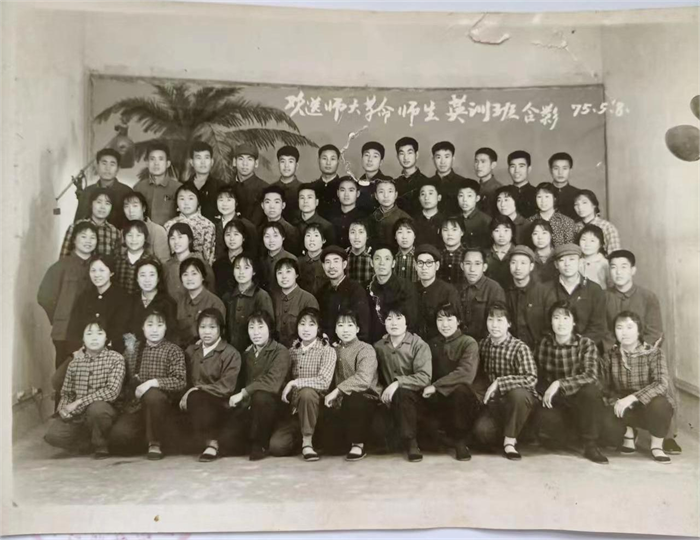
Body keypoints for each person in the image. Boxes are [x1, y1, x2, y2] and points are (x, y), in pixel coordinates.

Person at [533, 301, 608, 464]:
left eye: (566, 318)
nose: (561, 323)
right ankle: (567, 435)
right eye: (556, 318)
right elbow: (536, 374)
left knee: (591, 391)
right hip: (558, 401)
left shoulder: (585, 344)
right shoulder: (544, 344)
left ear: (574, 322)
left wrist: (559, 383)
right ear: (550, 321)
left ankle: (590, 445)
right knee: (551, 434)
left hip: (580, 400)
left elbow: (591, 375)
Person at [599, 311, 675, 464]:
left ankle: (656, 445)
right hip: (623, 405)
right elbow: (603, 386)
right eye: (619, 328)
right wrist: (615, 401)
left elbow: (661, 383)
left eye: (629, 327)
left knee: (660, 404)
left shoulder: (653, 353)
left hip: (649, 405)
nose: (624, 332)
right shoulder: (610, 356)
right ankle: (629, 433)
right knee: (608, 431)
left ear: (639, 331)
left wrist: (633, 398)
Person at [109, 308, 186, 459]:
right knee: (118, 440)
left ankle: (155, 443)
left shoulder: (173, 350)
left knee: (153, 395)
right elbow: (122, 378)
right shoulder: (133, 350)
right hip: (136, 407)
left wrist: (152, 383)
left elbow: (180, 381)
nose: (154, 330)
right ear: (143, 327)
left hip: (162, 409)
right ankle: (144, 438)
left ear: (166, 327)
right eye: (150, 325)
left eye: (159, 325)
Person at [44, 320, 125, 458]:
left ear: (106, 338)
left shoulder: (116, 359)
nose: (94, 338)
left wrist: (79, 402)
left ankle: (101, 446)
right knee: (53, 436)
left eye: (99, 334)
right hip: (79, 414)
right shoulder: (75, 363)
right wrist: (63, 409)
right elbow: (67, 393)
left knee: (97, 409)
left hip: (104, 411)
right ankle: (87, 442)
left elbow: (111, 391)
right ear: (83, 339)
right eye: (89, 334)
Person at [220, 311, 291, 461]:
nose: (256, 332)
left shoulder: (281, 351)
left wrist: (244, 392)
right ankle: (255, 439)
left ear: (270, 329)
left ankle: (261, 444)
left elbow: (272, 382)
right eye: (251, 327)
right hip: (251, 410)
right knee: (226, 444)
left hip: (274, 409)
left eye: (260, 327)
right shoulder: (247, 354)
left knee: (261, 396)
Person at [472, 302, 538, 460]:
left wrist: (500, 382)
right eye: (490, 320)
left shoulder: (519, 347)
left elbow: (531, 378)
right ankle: (510, 433)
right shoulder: (483, 345)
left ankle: (510, 442)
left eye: (500, 320)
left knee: (519, 394)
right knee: (482, 433)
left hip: (519, 403)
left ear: (509, 324)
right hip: (496, 405)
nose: (494, 325)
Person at [270, 308, 337, 460]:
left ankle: (307, 442)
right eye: (302, 324)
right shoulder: (292, 351)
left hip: (318, 409)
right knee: (276, 447)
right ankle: (305, 439)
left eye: (311, 324)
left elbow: (324, 381)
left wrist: (295, 383)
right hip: (296, 411)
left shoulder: (327, 350)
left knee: (306, 392)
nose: (306, 329)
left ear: (318, 328)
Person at [37, 221, 97, 379]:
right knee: (64, 377)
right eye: (83, 236)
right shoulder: (61, 266)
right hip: (64, 332)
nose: (88, 241)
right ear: (74, 240)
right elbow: (44, 296)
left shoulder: (98, 267)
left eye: (92, 237)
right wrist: (59, 317)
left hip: (92, 332)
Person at [180, 308, 241, 462]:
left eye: (212, 327)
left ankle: (212, 443)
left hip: (219, 405)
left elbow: (227, 386)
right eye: (203, 327)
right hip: (192, 405)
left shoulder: (230, 353)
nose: (207, 332)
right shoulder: (191, 351)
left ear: (221, 329)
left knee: (197, 397)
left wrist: (197, 389)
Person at [424, 303, 483, 461]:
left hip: (462, 400)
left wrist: (436, 386)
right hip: (439, 399)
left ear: (458, 321)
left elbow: (466, 373)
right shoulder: (431, 344)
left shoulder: (468, 342)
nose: (444, 324)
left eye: (449, 319)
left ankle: (460, 442)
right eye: (440, 319)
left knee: (460, 391)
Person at [373, 305, 432, 462]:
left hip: (414, 400)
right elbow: (374, 376)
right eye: (389, 319)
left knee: (402, 393)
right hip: (388, 400)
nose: (394, 323)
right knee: (378, 432)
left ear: (407, 322)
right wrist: (381, 393)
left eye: (399, 318)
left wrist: (397, 383)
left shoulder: (419, 345)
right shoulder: (378, 346)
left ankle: (412, 443)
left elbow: (424, 377)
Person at [321, 310, 382, 461]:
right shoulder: (333, 350)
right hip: (341, 404)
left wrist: (337, 390)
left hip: (365, 400)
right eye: (341, 325)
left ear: (357, 329)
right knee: (330, 447)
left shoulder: (365, 349)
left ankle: (358, 444)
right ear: (335, 329)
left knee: (354, 398)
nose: (345, 330)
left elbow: (363, 379)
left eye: (350, 325)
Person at [542, 244, 606, 347]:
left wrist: (578, 345)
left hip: (586, 347)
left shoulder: (594, 290)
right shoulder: (544, 290)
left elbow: (598, 327)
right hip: (553, 347)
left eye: (572, 259)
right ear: (556, 264)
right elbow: (542, 325)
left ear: (580, 262)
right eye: (562, 260)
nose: (567, 264)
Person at [66, 255, 130, 356]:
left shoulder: (122, 297)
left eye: (102, 270)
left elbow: (120, 330)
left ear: (111, 273)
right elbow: (73, 327)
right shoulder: (84, 296)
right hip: (83, 352)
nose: (97, 274)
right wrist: (76, 351)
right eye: (93, 270)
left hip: (112, 354)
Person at [316, 245, 371, 344]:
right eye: (327, 262)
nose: (331, 266)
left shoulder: (356, 290)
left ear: (344, 264)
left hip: (350, 346)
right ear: (323, 266)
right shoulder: (321, 292)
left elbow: (363, 327)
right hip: (326, 345)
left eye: (336, 261)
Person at [223, 253, 274, 354]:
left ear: (254, 271)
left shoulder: (261, 296)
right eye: (237, 268)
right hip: (230, 352)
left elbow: (269, 328)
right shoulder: (227, 297)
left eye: (246, 268)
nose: (241, 272)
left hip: (254, 352)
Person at [368, 243, 420, 343]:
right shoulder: (366, 287)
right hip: (371, 342)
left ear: (393, 263)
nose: (382, 263)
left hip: (399, 342)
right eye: (377, 259)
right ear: (371, 263)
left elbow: (411, 323)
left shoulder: (406, 287)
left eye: (387, 259)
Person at [74, 148, 133, 229]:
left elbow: (132, 224)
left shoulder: (127, 192)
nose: (107, 168)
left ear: (117, 169)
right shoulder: (87, 192)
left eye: (112, 164)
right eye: (104, 163)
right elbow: (78, 223)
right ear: (97, 166)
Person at [505, 246, 548, 351]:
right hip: (512, 350)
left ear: (531, 266)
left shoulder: (543, 292)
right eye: (514, 263)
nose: (518, 268)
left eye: (523, 263)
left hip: (540, 350)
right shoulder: (505, 293)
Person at [175, 257, 225, 348]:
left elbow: (218, 335)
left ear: (203, 276)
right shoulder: (179, 302)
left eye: (194, 273)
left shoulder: (215, 303)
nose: (189, 278)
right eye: (185, 274)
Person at [414, 244, 461, 339]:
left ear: (437, 266)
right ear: (415, 266)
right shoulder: (409, 289)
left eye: (429, 263)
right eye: (420, 263)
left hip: (440, 342)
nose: (424, 267)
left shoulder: (448, 291)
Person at [459, 247, 507, 342]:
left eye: (477, 264)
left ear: (484, 267)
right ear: (462, 266)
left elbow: (498, 323)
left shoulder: (494, 289)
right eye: (468, 263)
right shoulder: (456, 289)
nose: (472, 269)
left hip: (485, 343)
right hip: (461, 343)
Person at [271, 257, 319, 347]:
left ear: (297, 274)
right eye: (279, 273)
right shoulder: (272, 298)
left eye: (288, 271)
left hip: (300, 349)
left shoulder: (308, 299)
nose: (284, 276)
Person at [60, 188, 121, 258]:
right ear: (91, 204)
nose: (102, 207)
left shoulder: (115, 233)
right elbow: (63, 258)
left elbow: (117, 261)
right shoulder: (75, 227)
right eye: (99, 202)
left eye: (107, 203)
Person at [164, 184, 216, 265]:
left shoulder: (208, 225)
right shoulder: (168, 225)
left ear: (198, 201)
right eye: (182, 199)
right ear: (176, 202)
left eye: (191, 198)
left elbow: (208, 256)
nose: (186, 203)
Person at [133, 141, 181, 226]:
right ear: (147, 163)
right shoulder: (138, 187)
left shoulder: (178, 188)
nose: (156, 163)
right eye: (152, 159)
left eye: (161, 159)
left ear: (168, 163)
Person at [129, 258, 177, 342]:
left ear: (158, 278)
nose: (147, 279)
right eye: (143, 275)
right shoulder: (130, 300)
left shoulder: (168, 303)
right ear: (137, 278)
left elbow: (171, 334)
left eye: (152, 275)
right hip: (132, 346)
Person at [163, 223, 215, 301]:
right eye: (172, 238)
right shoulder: (167, 266)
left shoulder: (200, 262)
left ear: (190, 240)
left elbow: (211, 289)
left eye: (180, 237)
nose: (176, 241)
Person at [180, 141, 223, 222]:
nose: (203, 162)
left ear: (212, 162)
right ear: (191, 162)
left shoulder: (221, 187)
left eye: (206, 157)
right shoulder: (184, 188)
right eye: (198, 158)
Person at [122, 191, 170, 263]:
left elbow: (164, 262)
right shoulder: (123, 231)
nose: (130, 210)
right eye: (126, 206)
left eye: (135, 206)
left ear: (143, 208)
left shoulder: (157, 230)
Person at [213, 185, 257, 260]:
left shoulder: (247, 226)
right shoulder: (213, 224)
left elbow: (253, 252)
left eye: (229, 200)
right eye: (221, 200)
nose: (224, 204)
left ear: (236, 202)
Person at [528, 182, 577, 247]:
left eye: (547, 196)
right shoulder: (529, 222)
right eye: (539, 197)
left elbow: (570, 248)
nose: (543, 201)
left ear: (554, 198)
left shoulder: (567, 222)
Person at [259, 184, 300, 255]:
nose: (272, 206)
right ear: (262, 205)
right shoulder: (259, 229)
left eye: (276, 202)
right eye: (267, 202)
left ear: (283, 205)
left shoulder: (291, 231)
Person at [368, 178, 411, 246]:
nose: (386, 196)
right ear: (376, 196)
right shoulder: (371, 217)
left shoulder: (405, 218)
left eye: (390, 191)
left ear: (396, 195)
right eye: (381, 192)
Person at [231, 144, 267, 226]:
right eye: (241, 159)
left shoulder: (264, 189)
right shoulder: (228, 187)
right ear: (234, 162)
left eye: (249, 159)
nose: (245, 163)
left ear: (256, 163)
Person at [213, 218, 249, 298]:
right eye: (228, 235)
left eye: (236, 234)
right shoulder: (218, 264)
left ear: (243, 237)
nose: (231, 238)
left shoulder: (251, 261)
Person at [259, 221, 298, 291]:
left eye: (275, 236)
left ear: (283, 237)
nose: (271, 240)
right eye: (267, 236)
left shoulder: (291, 259)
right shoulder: (261, 259)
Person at [115, 220, 151, 295]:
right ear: (124, 238)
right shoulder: (117, 260)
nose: (134, 239)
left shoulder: (151, 261)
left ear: (145, 238)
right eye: (130, 235)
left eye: (138, 235)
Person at [330, 176, 367, 249]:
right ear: (338, 193)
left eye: (351, 190)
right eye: (342, 190)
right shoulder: (330, 216)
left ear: (358, 193)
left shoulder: (365, 218)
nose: (346, 194)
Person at [394, 136, 428, 215]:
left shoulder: (427, 182)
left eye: (409, 153)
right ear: (397, 157)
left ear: (416, 155)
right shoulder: (394, 184)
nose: (406, 157)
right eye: (402, 153)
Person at [429, 141, 464, 216]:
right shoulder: (427, 183)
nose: (442, 162)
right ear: (433, 159)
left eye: (446, 157)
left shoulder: (463, 183)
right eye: (438, 157)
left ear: (453, 158)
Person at [454, 178, 491, 250]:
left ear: (477, 198)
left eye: (469, 196)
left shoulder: (486, 221)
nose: (464, 200)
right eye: (461, 196)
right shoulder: (454, 219)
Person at [357, 141, 390, 214]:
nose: (370, 159)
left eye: (375, 156)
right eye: (367, 155)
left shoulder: (387, 182)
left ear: (381, 162)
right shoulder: (356, 183)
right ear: (362, 158)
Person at [310, 144, 342, 219]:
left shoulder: (343, 187)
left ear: (338, 161)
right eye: (324, 158)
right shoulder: (311, 188)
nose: (328, 163)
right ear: (318, 160)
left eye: (332, 159)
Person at [484, 215, 516, 289]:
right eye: (497, 231)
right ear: (491, 234)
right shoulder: (484, 254)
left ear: (512, 233)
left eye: (506, 230)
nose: (501, 235)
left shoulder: (519, 253)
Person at [298, 223, 329, 296]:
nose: (311, 239)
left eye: (316, 235)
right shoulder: (298, 261)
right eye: (308, 235)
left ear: (324, 240)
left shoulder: (329, 261)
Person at [273, 145, 302, 220]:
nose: (286, 165)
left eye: (290, 161)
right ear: (278, 164)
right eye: (282, 161)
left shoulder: (304, 190)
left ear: (297, 165)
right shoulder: (270, 189)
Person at [548, 152, 580, 221]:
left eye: (565, 168)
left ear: (570, 171)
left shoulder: (579, 194)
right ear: (550, 170)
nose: (560, 172)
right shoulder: (542, 193)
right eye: (556, 168)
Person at [577, 224, 610, 289]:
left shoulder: (605, 264)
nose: (587, 244)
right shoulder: (576, 262)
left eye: (592, 241)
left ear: (600, 244)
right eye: (583, 239)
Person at [414, 181, 446, 248]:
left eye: (430, 193)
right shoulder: (412, 220)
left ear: (439, 197)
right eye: (423, 194)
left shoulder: (446, 221)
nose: (426, 198)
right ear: (419, 198)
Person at [507, 150, 537, 219]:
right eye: (513, 166)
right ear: (508, 169)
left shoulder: (537, 193)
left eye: (521, 166)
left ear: (529, 169)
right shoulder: (501, 193)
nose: (516, 170)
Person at [474, 147, 503, 217]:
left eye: (483, 162)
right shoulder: (475, 187)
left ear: (493, 165)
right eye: (476, 161)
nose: (478, 166)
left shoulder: (499, 190)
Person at [438, 217, 466, 286]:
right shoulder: (436, 254)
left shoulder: (468, 255)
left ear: (462, 232)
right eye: (445, 230)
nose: (449, 234)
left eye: (454, 230)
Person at [346, 220, 374, 289]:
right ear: (348, 236)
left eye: (361, 232)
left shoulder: (373, 256)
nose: (357, 237)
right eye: (353, 232)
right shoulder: (343, 256)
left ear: (367, 236)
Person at [529, 218, 558, 283]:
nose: (540, 237)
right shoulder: (528, 258)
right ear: (531, 236)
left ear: (551, 235)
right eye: (535, 233)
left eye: (544, 233)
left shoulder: (559, 256)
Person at [393, 218, 418, 283]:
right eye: (400, 232)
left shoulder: (420, 257)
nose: (404, 237)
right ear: (395, 236)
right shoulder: (390, 256)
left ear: (414, 235)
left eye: (408, 232)